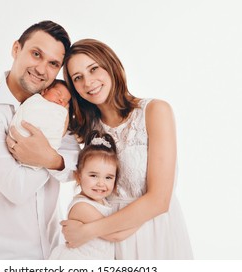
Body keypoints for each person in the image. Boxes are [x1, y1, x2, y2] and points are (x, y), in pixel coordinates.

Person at [0, 20, 80, 260]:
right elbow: (17, 188)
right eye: (36, 54)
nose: (42, 69)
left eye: (53, 64)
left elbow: (75, 166)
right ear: (15, 49)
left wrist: (50, 158)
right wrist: (54, 157)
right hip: (3, 258)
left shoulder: (59, 107)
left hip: (56, 253)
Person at [60, 38, 193, 259]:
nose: (88, 82)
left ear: (111, 65)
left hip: (152, 230)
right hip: (108, 241)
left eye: (94, 69)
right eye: (78, 78)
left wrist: (88, 231)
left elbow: (160, 200)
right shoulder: (84, 128)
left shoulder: (155, 111)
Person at [49, 130, 138, 259]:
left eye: (108, 177)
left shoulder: (104, 202)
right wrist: (144, 218)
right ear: (78, 176)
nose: (101, 183)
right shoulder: (82, 207)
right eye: (93, 175)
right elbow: (114, 234)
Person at [9, 79, 71, 169]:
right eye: (58, 94)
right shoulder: (35, 100)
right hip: (18, 141)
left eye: (65, 100)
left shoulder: (60, 112)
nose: (61, 99)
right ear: (45, 91)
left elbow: (59, 130)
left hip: (45, 154)